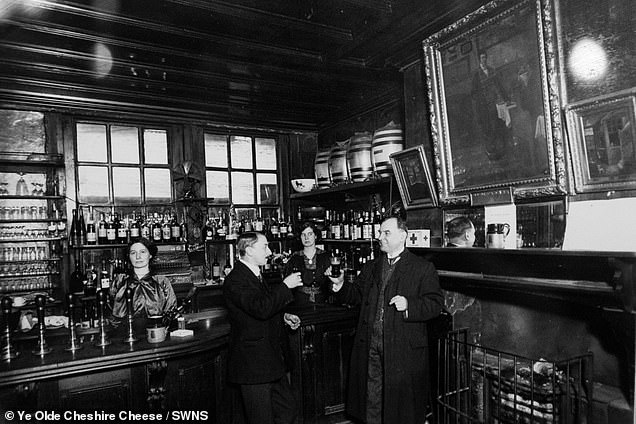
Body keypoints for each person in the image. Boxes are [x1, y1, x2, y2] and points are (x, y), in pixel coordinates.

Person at [328, 215, 443, 424]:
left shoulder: (422, 268)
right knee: (372, 394)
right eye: (380, 232)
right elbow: (355, 295)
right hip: (371, 342)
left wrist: (410, 305)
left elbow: (435, 304)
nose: (380, 237)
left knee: (399, 405)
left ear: (403, 236)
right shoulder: (372, 266)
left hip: (402, 346)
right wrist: (340, 285)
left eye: (386, 233)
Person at [223, 232, 303, 424]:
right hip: (253, 365)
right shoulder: (236, 279)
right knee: (261, 419)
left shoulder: (255, 274)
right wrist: (285, 286)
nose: (269, 252)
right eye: (264, 247)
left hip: (270, 360)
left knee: (287, 410)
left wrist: (283, 316)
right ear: (249, 250)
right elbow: (260, 308)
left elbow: (258, 308)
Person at [110, 237, 177, 325]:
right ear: (129, 256)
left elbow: (171, 311)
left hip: (156, 332)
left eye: (142, 252)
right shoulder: (120, 281)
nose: (138, 257)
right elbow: (110, 309)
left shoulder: (161, 281)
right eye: (133, 253)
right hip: (125, 334)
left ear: (150, 255)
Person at [471, 50, 510, 159]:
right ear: (479, 60)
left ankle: (502, 149)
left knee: (499, 124)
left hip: (496, 102)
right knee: (489, 127)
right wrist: (480, 103)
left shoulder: (492, 70)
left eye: (485, 58)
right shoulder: (476, 75)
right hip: (485, 106)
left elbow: (500, 85)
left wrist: (506, 98)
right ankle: (492, 150)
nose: (483, 60)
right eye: (481, 58)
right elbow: (474, 94)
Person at [283, 222, 331, 304]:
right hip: (300, 302)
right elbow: (287, 287)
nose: (306, 238)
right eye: (303, 235)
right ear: (300, 237)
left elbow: (332, 284)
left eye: (310, 234)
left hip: (322, 302)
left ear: (315, 236)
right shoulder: (294, 258)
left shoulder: (325, 256)